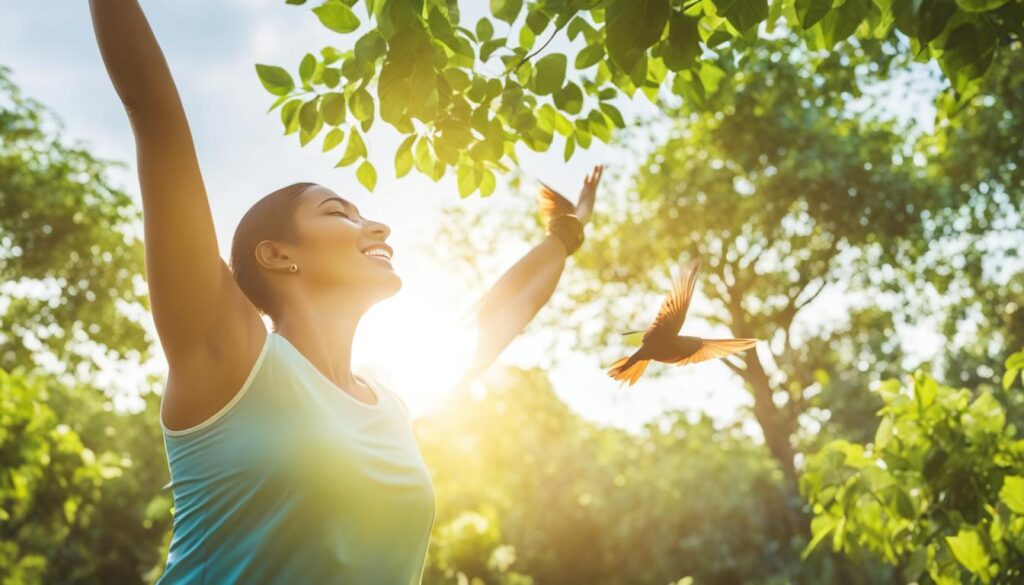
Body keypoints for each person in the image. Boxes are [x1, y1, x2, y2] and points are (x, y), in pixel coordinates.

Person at [87, 1, 603, 583]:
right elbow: (155, 117)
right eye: (339, 213)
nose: (377, 228)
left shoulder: (394, 403)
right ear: (277, 254)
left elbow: (503, 312)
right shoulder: (231, 362)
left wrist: (567, 231)